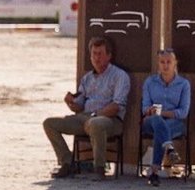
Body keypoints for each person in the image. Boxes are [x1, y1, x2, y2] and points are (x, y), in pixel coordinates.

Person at [43, 36, 130, 180]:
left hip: (110, 120)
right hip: (85, 117)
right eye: (94, 54)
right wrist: (71, 102)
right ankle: (67, 162)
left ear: (109, 56)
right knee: (49, 123)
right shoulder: (87, 78)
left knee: (95, 123)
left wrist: (95, 115)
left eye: (100, 54)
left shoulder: (119, 76)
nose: (96, 58)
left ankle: (99, 168)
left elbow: (116, 106)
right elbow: (79, 106)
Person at [141, 48, 191, 186]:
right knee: (157, 121)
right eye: (162, 62)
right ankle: (168, 148)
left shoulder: (184, 84)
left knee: (162, 129)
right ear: (158, 64)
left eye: (169, 62)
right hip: (151, 121)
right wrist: (151, 111)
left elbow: (183, 112)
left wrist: (162, 113)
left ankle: (155, 171)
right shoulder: (150, 82)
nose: (166, 65)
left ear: (175, 63)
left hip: (175, 123)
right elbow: (144, 108)